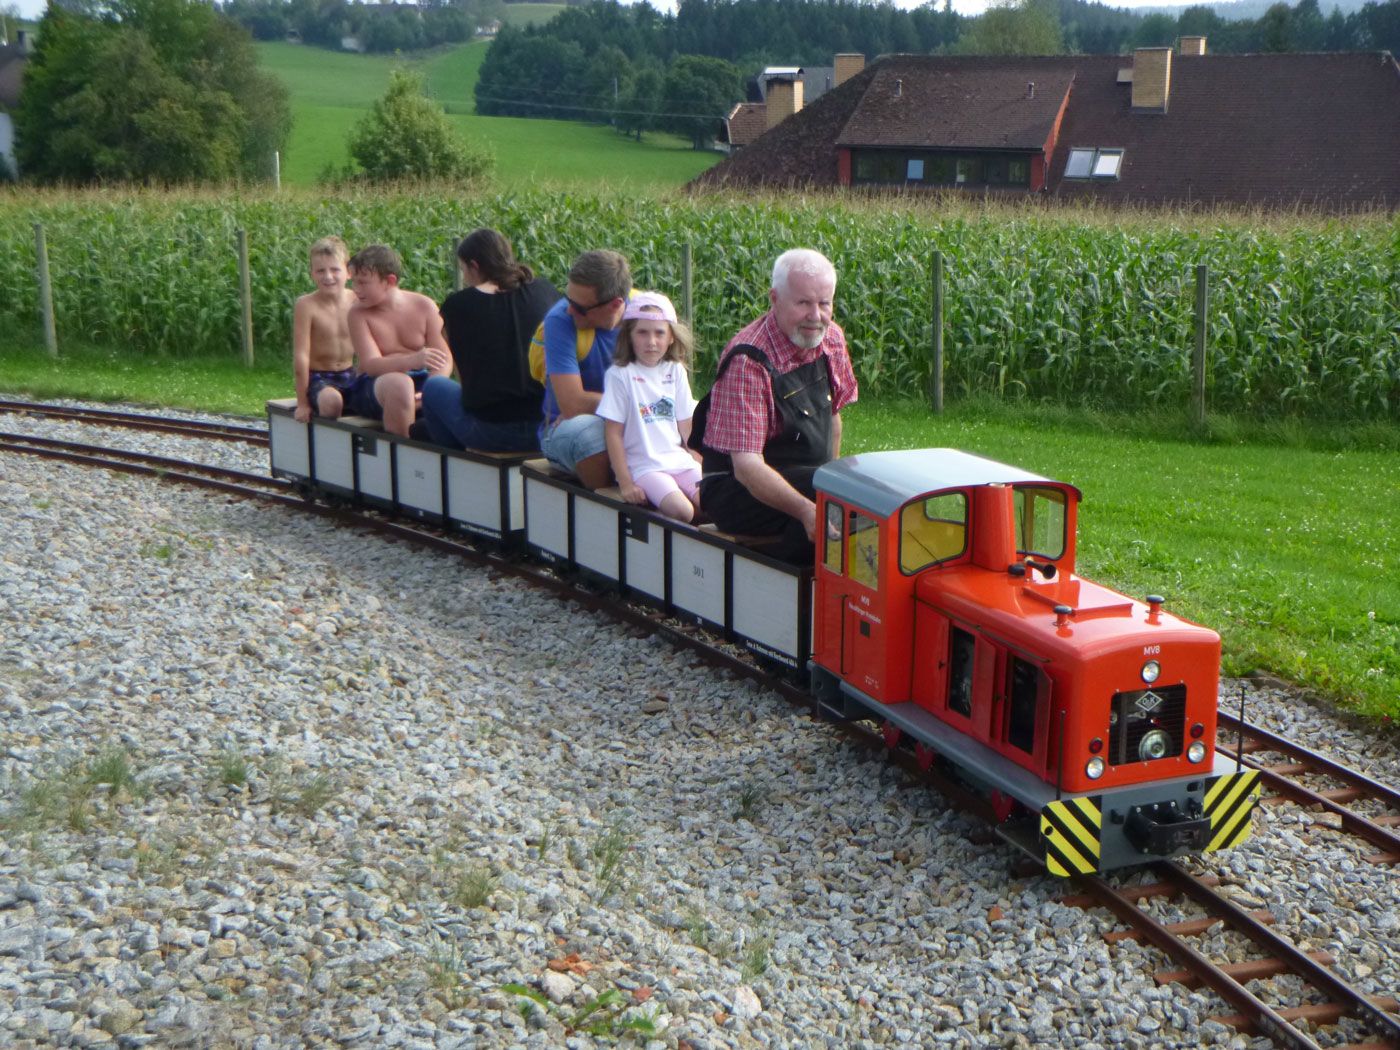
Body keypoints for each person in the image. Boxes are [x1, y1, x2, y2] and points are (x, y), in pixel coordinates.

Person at [693, 248, 858, 563]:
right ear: (774, 298)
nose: (816, 316)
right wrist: (808, 509)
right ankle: (781, 585)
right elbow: (747, 467)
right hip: (735, 489)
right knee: (830, 506)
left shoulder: (832, 339)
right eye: (803, 303)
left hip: (802, 475)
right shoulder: (748, 360)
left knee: (858, 494)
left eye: (824, 303)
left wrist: (832, 477)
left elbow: (833, 418)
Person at [421, 229, 558, 451]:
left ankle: (451, 456)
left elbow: (464, 380)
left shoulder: (457, 306)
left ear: (474, 266)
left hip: (494, 433)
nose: (464, 277)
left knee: (435, 386)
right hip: (546, 427)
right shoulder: (545, 290)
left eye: (464, 269)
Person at [597, 291, 702, 523]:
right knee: (682, 510)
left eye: (659, 333)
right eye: (642, 333)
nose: (651, 341)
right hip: (645, 466)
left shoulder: (675, 371)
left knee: (715, 500)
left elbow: (686, 424)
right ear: (630, 336)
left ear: (671, 337)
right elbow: (613, 433)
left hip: (678, 460)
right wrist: (625, 483)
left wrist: (697, 456)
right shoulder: (620, 375)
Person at [537, 249, 631, 489]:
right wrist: (638, 406)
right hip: (568, 426)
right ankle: (606, 508)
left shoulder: (645, 316)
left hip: (630, 419)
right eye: (568, 300)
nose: (569, 310)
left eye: (579, 307)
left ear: (615, 304)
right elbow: (573, 404)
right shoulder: (559, 319)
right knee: (590, 438)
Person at [346, 244, 452, 437]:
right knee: (400, 385)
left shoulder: (424, 305)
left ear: (390, 281)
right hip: (374, 385)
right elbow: (371, 365)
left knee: (453, 391)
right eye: (354, 282)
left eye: (363, 283)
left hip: (419, 381)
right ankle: (402, 455)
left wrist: (432, 386)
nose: (356, 290)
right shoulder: (358, 313)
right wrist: (412, 361)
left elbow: (443, 357)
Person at [291, 236, 357, 423]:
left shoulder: (356, 300)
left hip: (350, 372)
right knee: (332, 401)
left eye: (335, 270)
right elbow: (301, 356)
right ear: (312, 274)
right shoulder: (306, 305)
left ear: (348, 272)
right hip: (320, 377)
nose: (328, 277)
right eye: (321, 271)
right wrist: (302, 403)